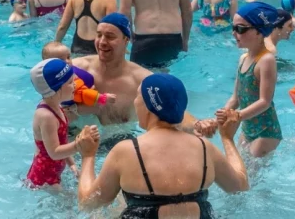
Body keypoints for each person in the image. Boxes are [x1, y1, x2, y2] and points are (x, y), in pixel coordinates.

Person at [77, 73, 249, 217]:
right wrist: (227, 138)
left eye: (138, 96)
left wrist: (88, 155)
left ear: (148, 105)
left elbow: (88, 204)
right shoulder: (204, 148)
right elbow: (240, 187)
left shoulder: (126, 151)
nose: (134, 102)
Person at [71, 13, 217, 138]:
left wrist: (196, 125)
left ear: (126, 40)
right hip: (76, 142)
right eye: (99, 35)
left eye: (110, 37)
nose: (102, 42)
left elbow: (172, 110)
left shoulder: (142, 80)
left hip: (119, 144)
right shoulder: (75, 68)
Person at [25, 58, 100, 188]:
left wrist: (72, 165)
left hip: (54, 172)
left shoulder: (57, 107)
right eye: (71, 82)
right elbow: (54, 152)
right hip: (44, 177)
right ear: (55, 89)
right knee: (71, 205)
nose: (76, 85)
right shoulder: (46, 116)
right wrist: (79, 144)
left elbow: (62, 142)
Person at [224, 2, 282, 157]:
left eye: (240, 29)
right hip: (247, 127)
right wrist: (222, 115)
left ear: (259, 32)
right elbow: (236, 98)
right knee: (239, 169)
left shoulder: (266, 60)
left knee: (251, 178)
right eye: (233, 27)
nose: (234, 33)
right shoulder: (243, 58)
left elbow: (265, 101)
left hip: (266, 131)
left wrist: (238, 116)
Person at [41, 41, 117, 123]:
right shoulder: (68, 78)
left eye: (68, 57)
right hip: (70, 108)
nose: (67, 61)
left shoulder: (45, 77)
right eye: (60, 60)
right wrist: (102, 98)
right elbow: (83, 93)